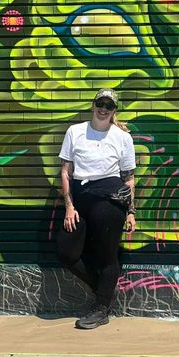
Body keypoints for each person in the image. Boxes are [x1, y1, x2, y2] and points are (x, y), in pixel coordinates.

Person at [56, 87, 137, 329]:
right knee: (66, 252)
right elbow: (65, 171)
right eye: (100, 104)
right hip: (80, 196)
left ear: (114, 111)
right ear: (93, 106)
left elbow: (129, 177)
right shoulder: (75, 132)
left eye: (109, 106)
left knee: (107, 255)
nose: (103, 109)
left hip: (111, 198)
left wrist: (131, 211)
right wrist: (69, 207)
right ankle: (104, 291)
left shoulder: (122, 137)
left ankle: (101, 308)